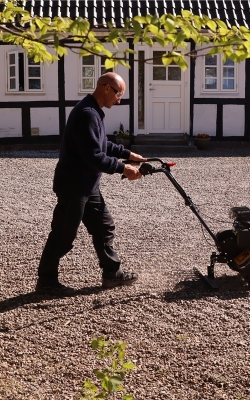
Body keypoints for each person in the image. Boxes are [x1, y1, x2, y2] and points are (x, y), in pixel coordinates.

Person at [36, 72, 147, 296]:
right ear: (106, 88)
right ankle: (46, 282)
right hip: (74, 185)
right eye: (118, 94)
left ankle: (111, 273)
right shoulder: (87, 113)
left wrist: (128, 154)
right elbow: (93, 156)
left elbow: (102, 143)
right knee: (63, 235)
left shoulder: (94, 111)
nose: (119, 100)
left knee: (103, 226)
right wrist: (123, 168)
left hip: (88, 183)